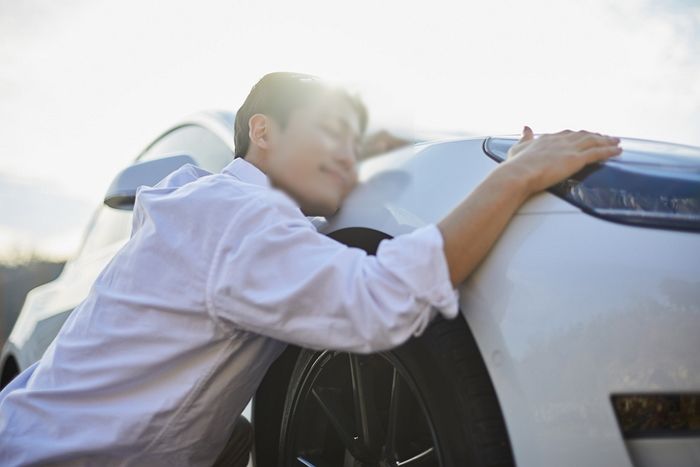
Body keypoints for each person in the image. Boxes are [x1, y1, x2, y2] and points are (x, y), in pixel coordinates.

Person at [0, 72, 622, 466]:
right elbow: (384, 301)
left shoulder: (210, 208)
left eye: (356, 145)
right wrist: (516, 175)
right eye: (329, 135)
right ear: (262, 132)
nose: (347, 160)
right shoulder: (236, 216)